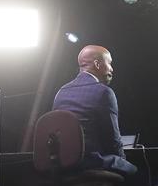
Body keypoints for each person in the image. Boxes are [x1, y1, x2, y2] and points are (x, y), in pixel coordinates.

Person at [52, 45, 137, 176]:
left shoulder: (61, 91)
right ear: (97, 64)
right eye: (109, 63)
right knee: (137, 172)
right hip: (91, 162)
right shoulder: (104, 92)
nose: (112, 69)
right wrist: (123, 163)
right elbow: (113, 141)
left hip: (62, 164)